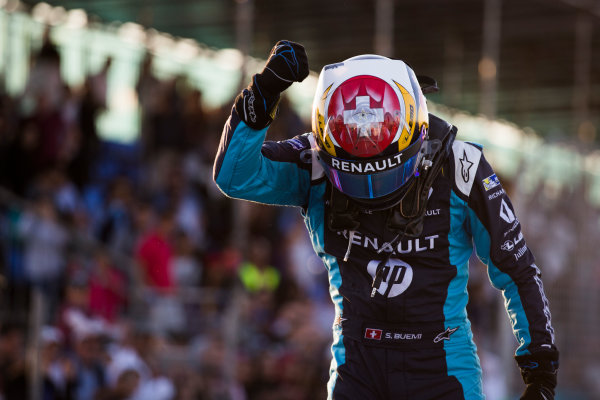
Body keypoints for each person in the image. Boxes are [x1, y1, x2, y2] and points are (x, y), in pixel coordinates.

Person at [213, 41, 558, 399]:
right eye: (355, 175)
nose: (370, 190)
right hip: (357, 363)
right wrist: (263, 94)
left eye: (382, 174)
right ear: (327, 144)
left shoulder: (461, 166)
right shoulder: (315, 160)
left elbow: (516, 268)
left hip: (440, 366)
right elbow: (234, 175)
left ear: (416, 135)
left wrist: (540, 370)